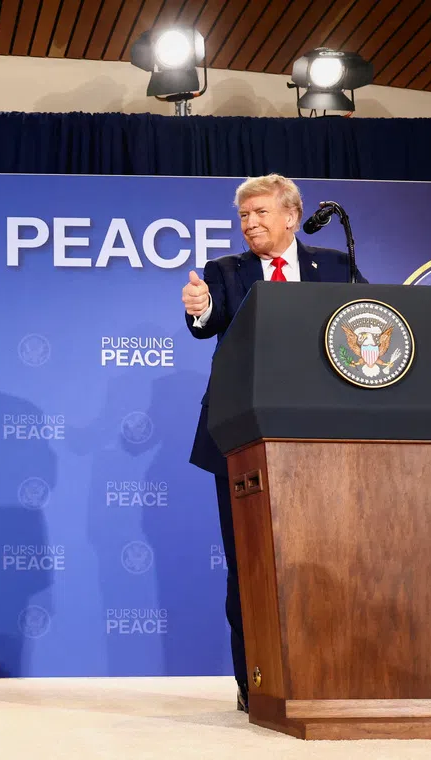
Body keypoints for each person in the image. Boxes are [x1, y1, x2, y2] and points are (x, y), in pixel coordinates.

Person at [181, 174, 366, 713]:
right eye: (243, 216)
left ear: (291, 216)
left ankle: (325, 671)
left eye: (260, 212)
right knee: (250, 565)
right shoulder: (226, 272)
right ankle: (253, 681)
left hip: (321, 437)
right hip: (241, 436)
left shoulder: (334, 267)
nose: (250, 223)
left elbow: (369, 320)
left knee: (323, 559)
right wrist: (198, 306)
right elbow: (207, 319)